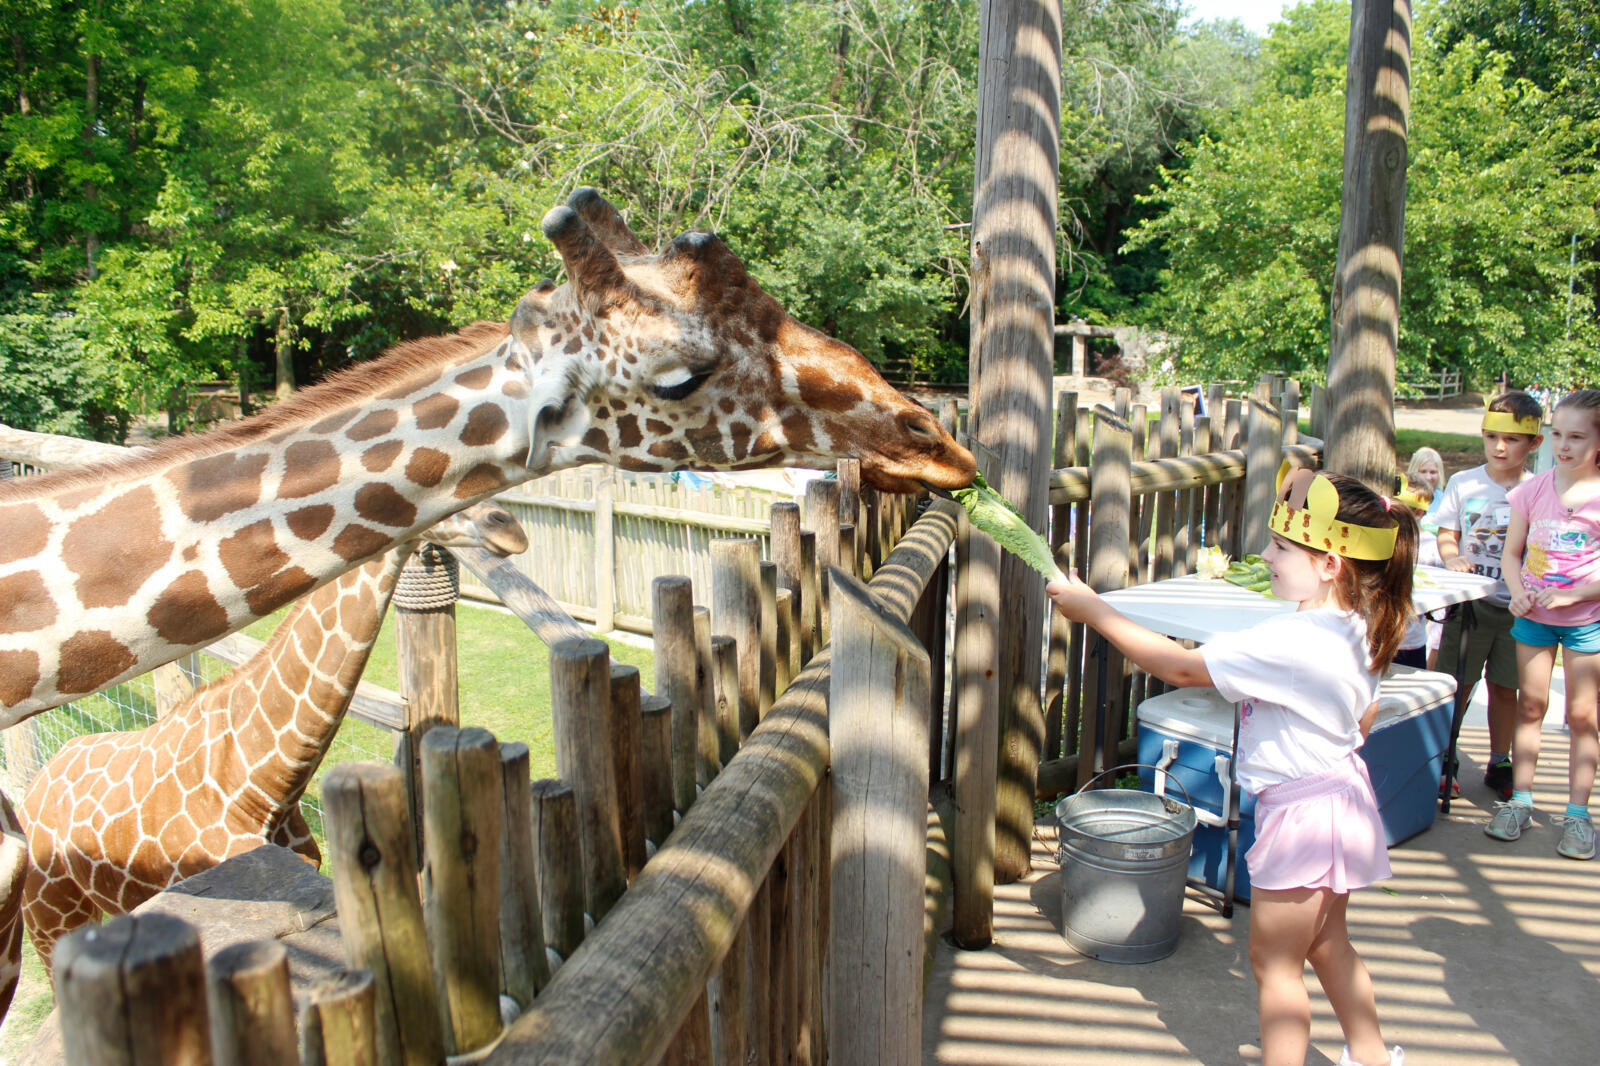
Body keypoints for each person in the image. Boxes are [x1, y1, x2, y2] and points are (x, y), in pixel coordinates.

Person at [1047, 464, 1412, 1066]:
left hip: (1303, 816)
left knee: (1275, 965)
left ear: (1330, 564)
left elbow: (1180, 668)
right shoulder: (1360, 624)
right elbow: (1364, 718)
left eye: (1281, 547)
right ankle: (1372, 1057)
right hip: (1342, 798)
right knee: (1328, 944)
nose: (1265, 555)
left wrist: (1095, 610)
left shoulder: (1294, 641)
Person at [1487, 389, 1600, 860]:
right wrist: (1517, 592)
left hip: (1586, 622)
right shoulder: (1531, 490)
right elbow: (1511, 554)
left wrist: (1576, 594)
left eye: (1577, 436)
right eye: (1558, 435)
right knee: (1531, 706)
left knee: (1583, 716)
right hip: (1533, 618)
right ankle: (1520, 801)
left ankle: (1578, 814)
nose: (1564, 446)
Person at [1434, 392, 1545, 799]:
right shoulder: (1463, 483)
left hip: (1519, 608)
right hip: (1470, 606)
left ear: (1534, 442)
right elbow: (1448, 534)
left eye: (1512, 439)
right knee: (1458, 683)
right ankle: (1444, 754)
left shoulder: (1539, 489)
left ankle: (1500, 761)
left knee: (1505, 687)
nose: (1500, 447)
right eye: (1491, 436)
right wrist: (1452, 557)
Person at [1393, 481, 1434, 668]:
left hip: (1412, 639)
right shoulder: (1381, 539)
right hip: (1379, 637)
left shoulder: (1430, 546)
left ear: (1418, 512)